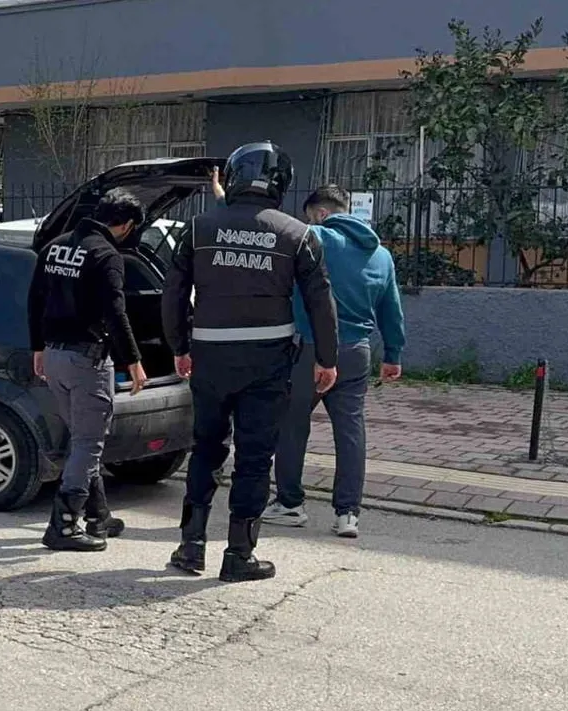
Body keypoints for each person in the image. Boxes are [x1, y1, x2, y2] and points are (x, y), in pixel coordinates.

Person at [161, 142, 339, 583]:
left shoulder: (198, 229)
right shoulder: (299, 235)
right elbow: (321, 302)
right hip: (268, 362)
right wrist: (328, 359)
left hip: (209, 357)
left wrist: (179, 347)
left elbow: (173, 294)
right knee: (255, 457)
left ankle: (191, 545)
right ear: (281, 184)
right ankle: (239, 554)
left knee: (205, 449)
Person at [263, 185, 406, 538]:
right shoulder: (382, 255)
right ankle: (348, 514)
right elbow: (392, 309)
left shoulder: (316, 237)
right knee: (351, 430)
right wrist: (393, 355)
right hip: (358, 351)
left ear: (321, 213)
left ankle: (290, 503)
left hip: (312, 349)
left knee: (292, 423)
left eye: (309, 216)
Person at [28, 188, 149, 552]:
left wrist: (37, 347)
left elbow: (35, 300)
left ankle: (99, 516)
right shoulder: (106, 255)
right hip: (87, 359)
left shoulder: (55, 246)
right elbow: (116, 311)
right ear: (126, 225)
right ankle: (62, 526)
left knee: (82, 439)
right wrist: (134, 361)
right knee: (88, 442)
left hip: (54, 356)